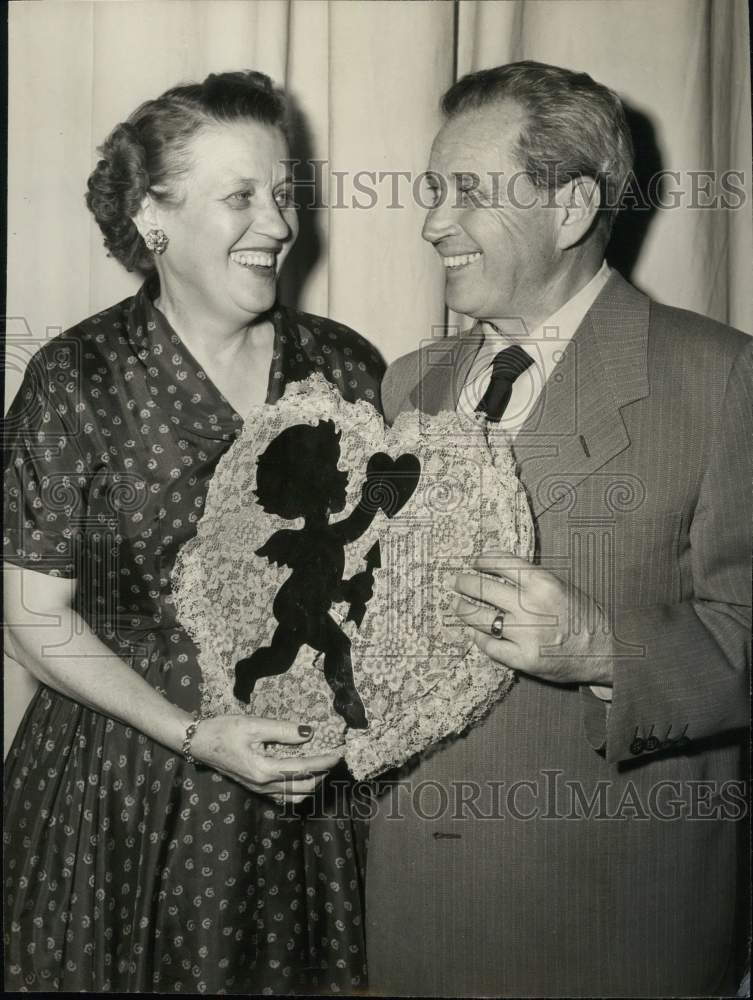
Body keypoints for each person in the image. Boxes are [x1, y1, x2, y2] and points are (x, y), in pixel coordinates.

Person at [365, 61, 751, 997]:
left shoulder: (721, 379)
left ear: (572, 206)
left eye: (467, 193)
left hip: (609, 921)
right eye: (429, 192)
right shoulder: (406, 383)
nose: (430, 224)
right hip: (417, 907)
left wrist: (602, 649)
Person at [3, 70, 385, 993]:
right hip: (126, 780)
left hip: (306, 792)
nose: (278, 224)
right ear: (152, 219)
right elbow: (31, 616)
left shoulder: (343, 365)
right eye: (241, 197)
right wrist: (192, 732)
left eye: (283, 193)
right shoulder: (77, 377)